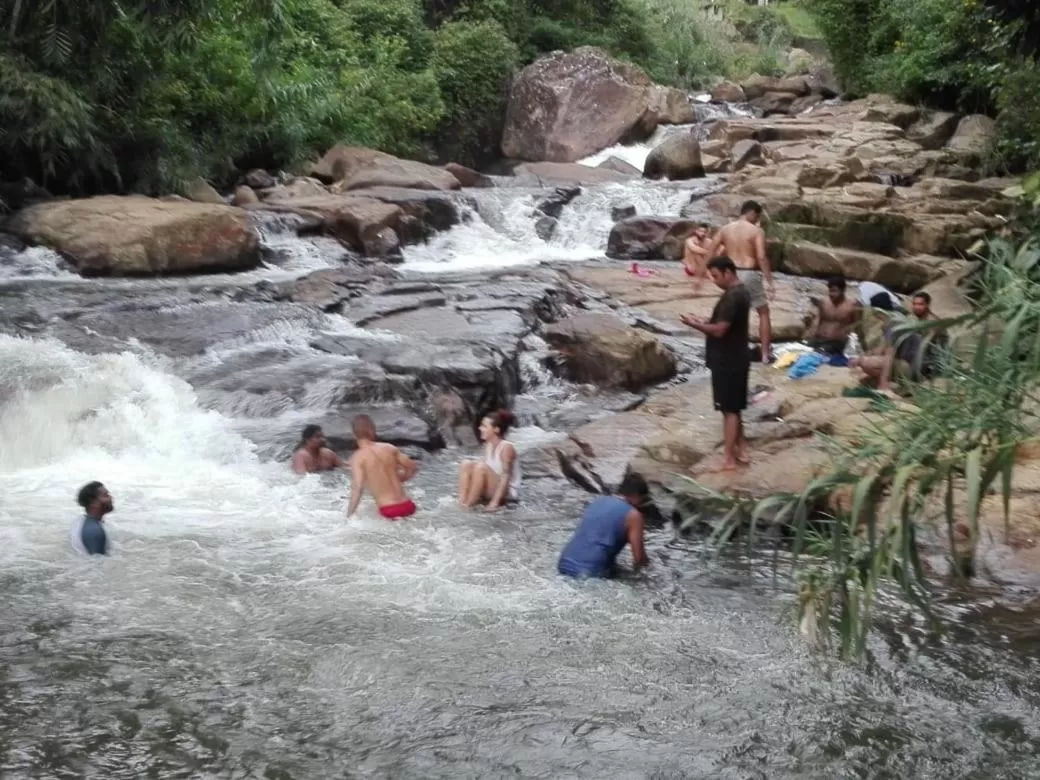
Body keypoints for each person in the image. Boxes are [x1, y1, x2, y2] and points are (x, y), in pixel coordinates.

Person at [680, 256, 752, 471]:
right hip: (736, 357)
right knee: (734, 407)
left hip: (728, 360)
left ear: (728, 272)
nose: (714, 280)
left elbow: (720, 330)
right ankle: (742, 448)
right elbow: (725, 324)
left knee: (729, 410)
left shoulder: (732, 297)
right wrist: (706, 321)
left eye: (716, 276)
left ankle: (729, 458)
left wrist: (695, 325)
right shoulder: (742, 292)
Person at [700, 200, 773, 363]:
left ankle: (734, 351)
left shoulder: (725, 229)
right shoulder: (756, 231)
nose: (757, 220)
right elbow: (761, 256)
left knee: (733, 313)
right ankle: (765, 355)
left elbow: (710, 252)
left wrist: (700, 275)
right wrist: (770, 282)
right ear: (752, 213)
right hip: (749, 272)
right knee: (763, 312)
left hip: (730, 275)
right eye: (757, 216)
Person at [557, 473, 650, 579]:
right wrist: (647, 572)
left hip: (564, 564)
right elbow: (639, 559)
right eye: (643, 499)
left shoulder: (598, 501)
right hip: (590, 572)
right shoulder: (634, 516)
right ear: (636, 495)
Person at [851, 292, 944, 392]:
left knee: (867, 363)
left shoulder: (895, 324)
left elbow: (889, 355)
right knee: (868, 360)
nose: (916, 307)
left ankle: (893, 382)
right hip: (909, 363)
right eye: (915, 304)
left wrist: (883, 384)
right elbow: (883, 348)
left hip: (914, 367)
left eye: (920, 304)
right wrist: (866, 354)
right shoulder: (900, 320)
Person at [345, 415, 418, 520]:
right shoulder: (389, 447)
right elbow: (412, 466)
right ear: (373, 430)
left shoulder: (358, 457)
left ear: (354, 435)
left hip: (388, 510)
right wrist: (402, 478)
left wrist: (349, 514)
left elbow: (358, 487)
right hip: (408, 506)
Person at [457, 409, 522, 511]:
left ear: (496, 429)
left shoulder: (506, 448)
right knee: (466, 464)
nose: (480, 428)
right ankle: (462, 502)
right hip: (492, 487)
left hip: (507, 494)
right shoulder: (488, 445)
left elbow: (506, 476)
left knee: (481, 467)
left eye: (484, 426)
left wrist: (494, 503)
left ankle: (468, 506)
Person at [805, 276, 861, 355]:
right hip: (818, 339)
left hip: (836, 343)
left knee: (818, 353)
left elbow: (857, 326)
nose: (831, 294)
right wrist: (811, 334)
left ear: (843, 290)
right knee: (802, 350)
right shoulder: (824, 302)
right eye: (830, 291)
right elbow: (818, 320)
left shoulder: (852, 305)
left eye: (834, 291)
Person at [71, 481, 113, 556]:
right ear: (93, 502)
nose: (111, 498)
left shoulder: (81, 520)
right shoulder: (95, 531)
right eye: (106, 495)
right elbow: (98, 565)